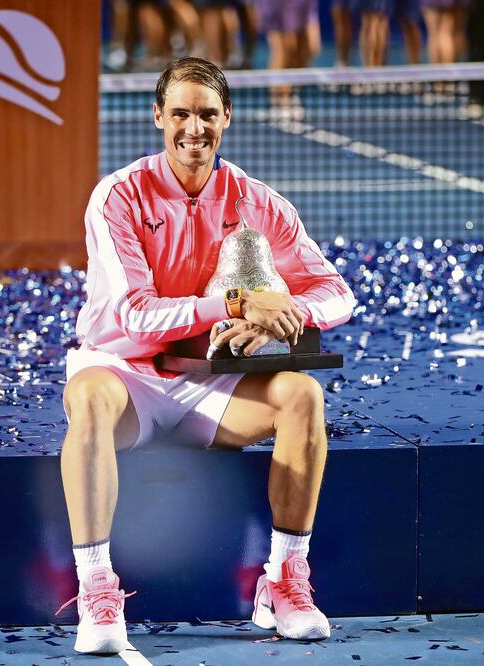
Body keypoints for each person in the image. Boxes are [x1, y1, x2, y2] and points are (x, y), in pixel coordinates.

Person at [57, 57, 356, 655]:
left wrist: (286, 313)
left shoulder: (255, 200)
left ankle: (283, 583)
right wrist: (238, 303)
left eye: (208, 115)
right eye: (181, 114)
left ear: (227, 119)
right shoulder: (117, 197)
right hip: (127, 375)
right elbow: (135, 317)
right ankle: (97, 588)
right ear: (158, 118)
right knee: (87, 400)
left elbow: (336, 291)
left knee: (303, 395)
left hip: (210, 384)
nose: (195, 129)